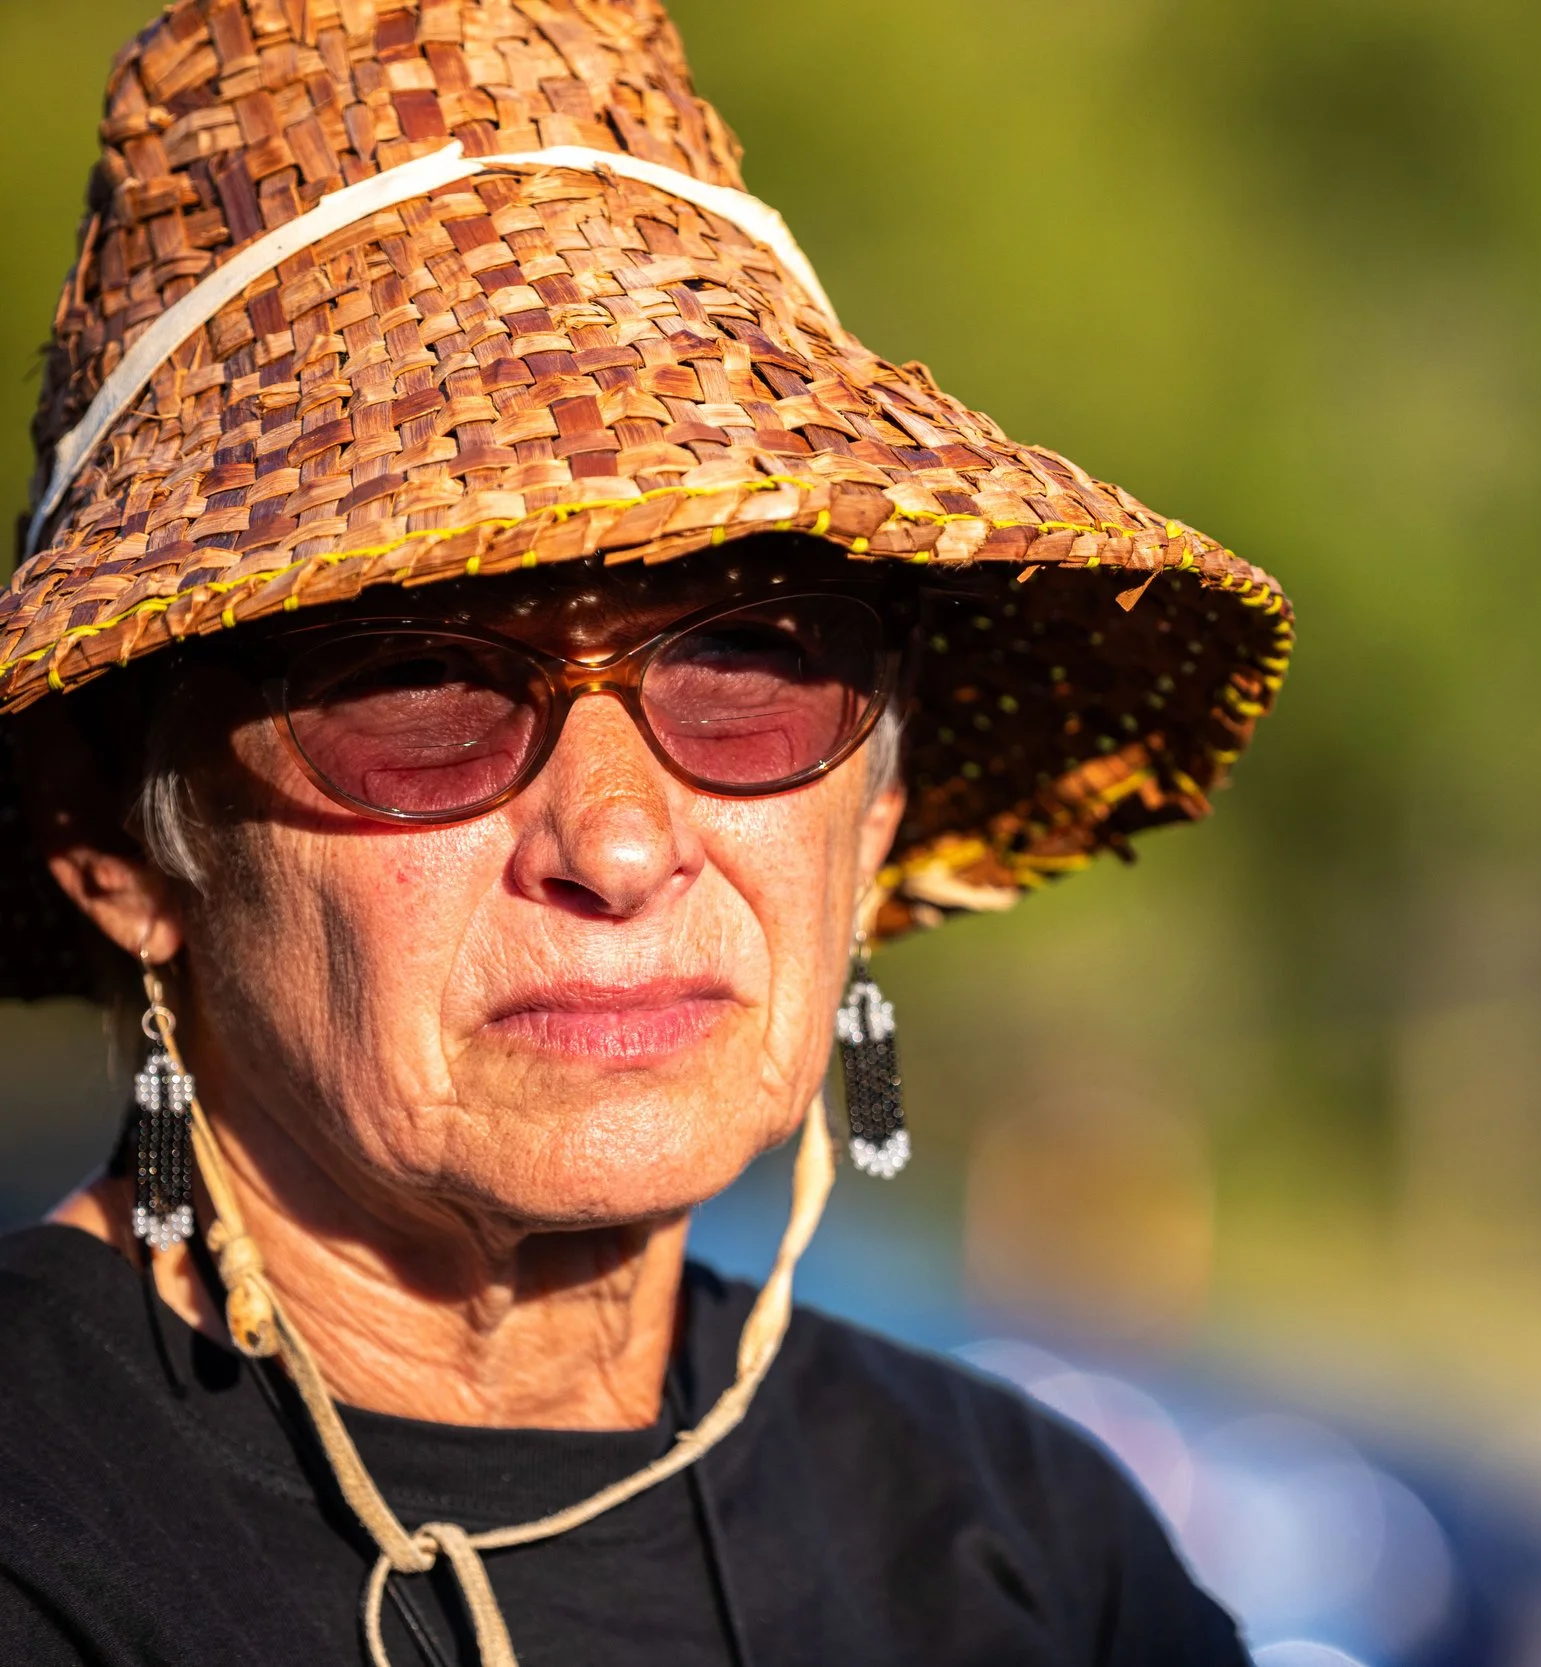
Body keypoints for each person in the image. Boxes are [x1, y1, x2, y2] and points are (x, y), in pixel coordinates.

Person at [0, 4, 1290, 1665]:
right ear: (117, 841)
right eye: (412, 690)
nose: (615, 844)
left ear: (874, 805)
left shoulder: (1029, 1542)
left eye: (748, 663)